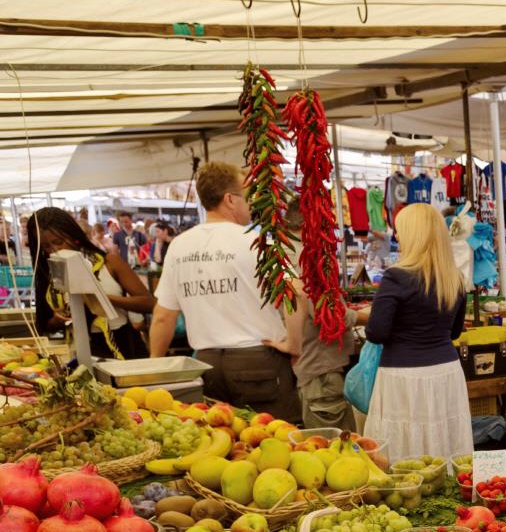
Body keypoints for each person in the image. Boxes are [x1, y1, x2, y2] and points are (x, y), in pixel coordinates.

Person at [149, 162, 301, 420]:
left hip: (206, 364)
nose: (251, 203)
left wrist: (156, 365)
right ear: (229, 199)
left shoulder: (178, 246)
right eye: (247, 196)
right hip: (259, 362)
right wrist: (294, 344)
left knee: (224, 446)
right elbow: (294, 292)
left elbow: (163, 316)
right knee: (275, 441)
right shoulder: (263, 241)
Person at [362, 203, 474, 460]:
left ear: (414, 235)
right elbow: (454, 331)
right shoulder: (454, 278)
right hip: (445, 371)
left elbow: (376, 332)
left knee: (403, 448)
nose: (398, 236)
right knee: (444, 441)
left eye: (401, 230)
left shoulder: (396, 277)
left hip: (403, 376)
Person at [274, 205, 368, 430]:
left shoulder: (282, 254)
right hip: (320, 370)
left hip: (308, 366)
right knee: (336, 447)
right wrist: (365, 316)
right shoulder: (305, 257)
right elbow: (327, 315)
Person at [25, 206, 154, 358]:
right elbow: (45, 325)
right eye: (46, 246)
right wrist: (58, 320)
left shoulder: (109, 263)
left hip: (124, 348)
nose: (54, 249)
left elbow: (149, 303)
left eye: (58, 242)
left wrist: (103, 299)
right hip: (80, 352)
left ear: (72, 235)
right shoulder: (49, 273)